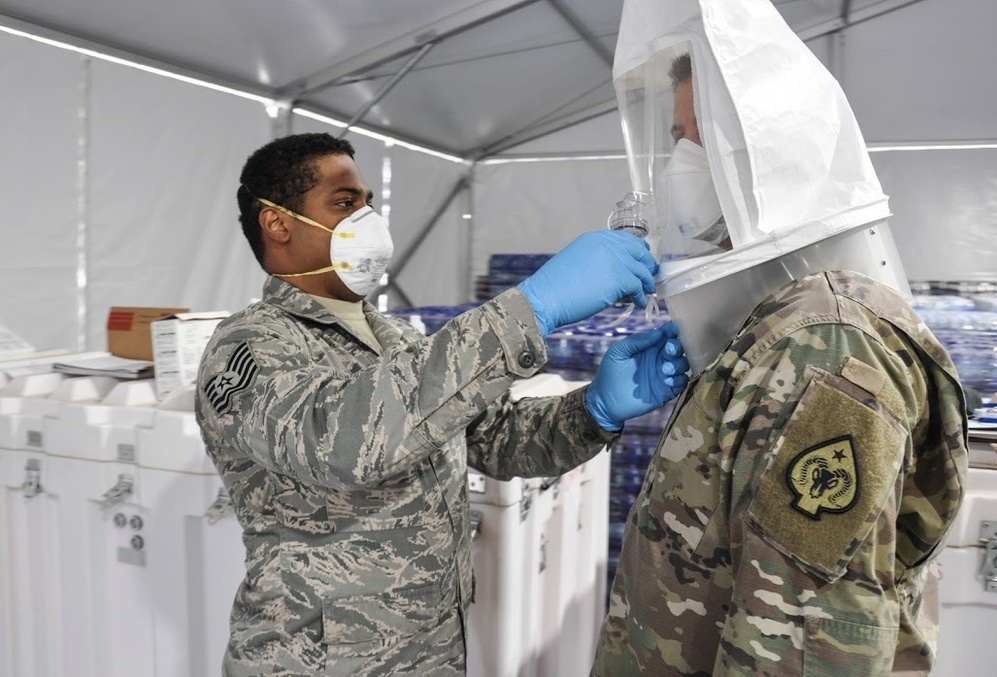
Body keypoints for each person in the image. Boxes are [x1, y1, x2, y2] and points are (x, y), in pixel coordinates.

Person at [195, 131, 690, 676]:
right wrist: (530, 309)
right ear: (278, 223)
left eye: (368, 203)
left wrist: (593, 409)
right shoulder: (249, 345)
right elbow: (341, 444)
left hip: (429, 651)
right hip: (317, 660)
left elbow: (496, 441)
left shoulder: (397, 340)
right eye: (343, 204)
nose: (367, 220)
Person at [593, 1, 968, 675]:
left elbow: (798, 642)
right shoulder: (780, 323)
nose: (677, 163)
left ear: (760, 158)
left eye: (691, 138)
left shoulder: (823, 347)